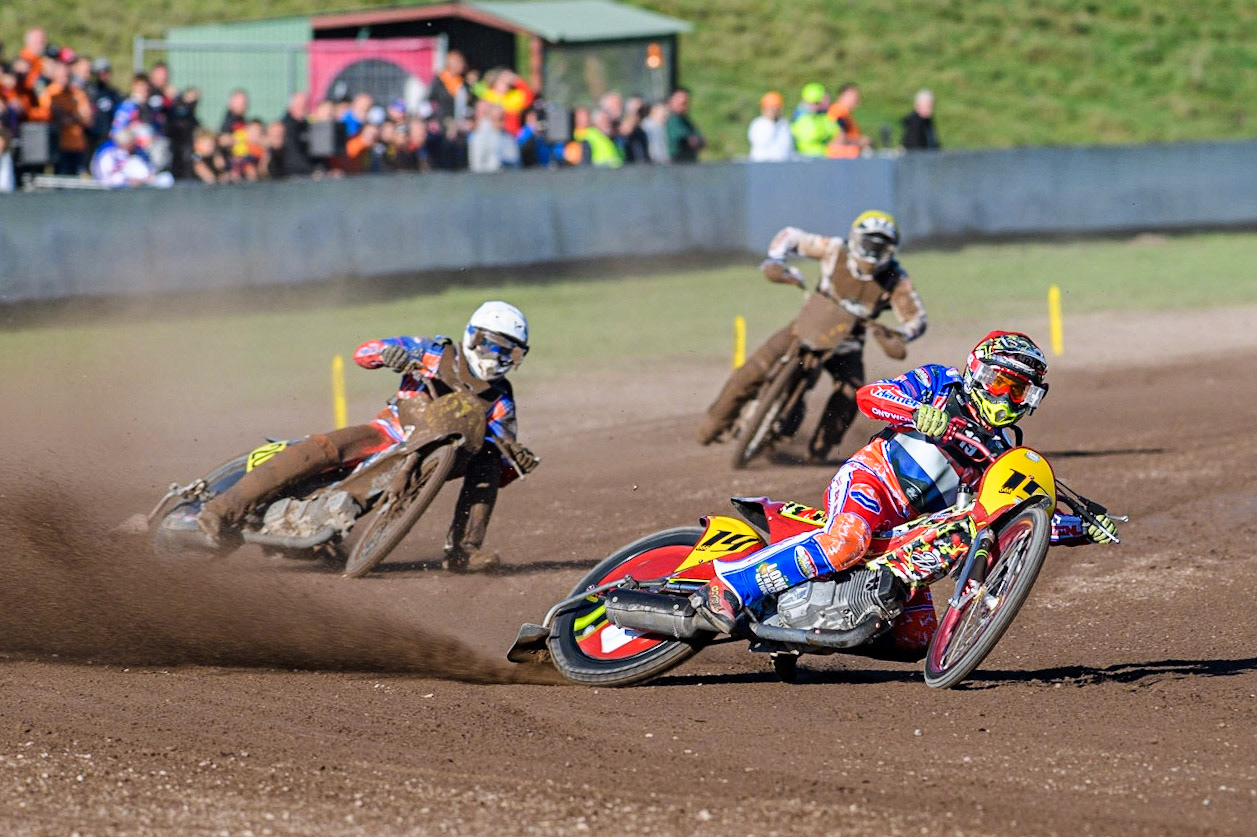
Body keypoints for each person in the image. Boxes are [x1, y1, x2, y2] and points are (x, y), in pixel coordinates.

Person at [692, 331, 1121, 655]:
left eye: (1019, 391)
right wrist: (918, 413)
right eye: (999, 382)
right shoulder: (940, 383)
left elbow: (1013, 527)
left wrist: (1081, 528)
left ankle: (807, 623)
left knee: (917, 640)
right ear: (976, 370)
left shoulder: (1001, 455)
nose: (1005, 398)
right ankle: (732, 587)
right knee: (846, 542)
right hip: (870, 483)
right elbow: (870, 396)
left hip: (911, 533)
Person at [197, 302, 540, 572]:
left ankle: (464, 550)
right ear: (474, 338)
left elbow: (496, 468)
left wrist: (514, 462)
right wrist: (388, 355)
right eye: (495, 347)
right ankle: (220, 510)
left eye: (511, 353)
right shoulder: (435, 353)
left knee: (490, 460)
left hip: (430, 460)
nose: (500, 360)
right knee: (319, 449)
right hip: (387, 433)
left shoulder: (501, 399)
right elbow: (364, 352)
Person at [697, 211, 927, 462]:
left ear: (891, 250)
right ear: (855, 238)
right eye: (868, 244)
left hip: (849, 342)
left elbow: (917, 319)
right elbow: (790, 235)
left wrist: (898, 335)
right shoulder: (835, 249)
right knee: (753, 369)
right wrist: (776, 260)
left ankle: (820, 450)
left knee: (851, 393)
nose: (872, 253)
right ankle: (713, 425)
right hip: (810, 323)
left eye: (880, 248)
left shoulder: (896, 278)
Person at [826, 82, 869, 158]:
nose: (856, 99)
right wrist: (859, 141)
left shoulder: (846, 114)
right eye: (853, 96)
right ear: (843, 95)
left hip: (848, 157)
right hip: (842, 157)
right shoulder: (837, 112)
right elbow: (838, 138)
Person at [747, 90, 793, 162]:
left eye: (776, 108)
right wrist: (772, 123)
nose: (773, 111)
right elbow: (760, 143)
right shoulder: (758, 124)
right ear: (763, 109)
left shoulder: (784, 124)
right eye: (770, 108)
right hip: (763, 165)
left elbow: (788, 145)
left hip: (783, 165)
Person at [790, 82, 834, 157]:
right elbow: (811, 135)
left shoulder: (823, 116)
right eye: (817, 103)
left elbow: (835, 132)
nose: (826, 102)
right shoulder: (801, 117)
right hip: (807, 158)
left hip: (824, 156)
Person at [665, 87, 704, 163]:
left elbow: (701, 140)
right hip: (675, 163)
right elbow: (686, 140)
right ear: (671, 101)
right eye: (681, 103)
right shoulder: (670, 120)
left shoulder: (686, 121)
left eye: (685, 103)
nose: (683, 106)